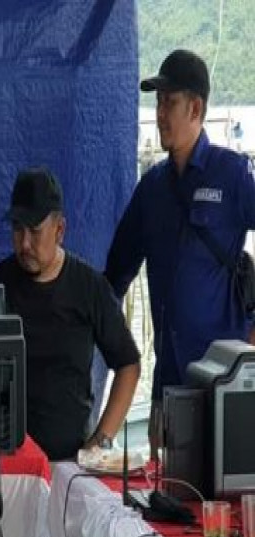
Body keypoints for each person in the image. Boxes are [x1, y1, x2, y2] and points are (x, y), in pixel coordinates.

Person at [105, 49, 255, 460]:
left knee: (224, 491)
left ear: (196, 108)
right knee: (167, 489)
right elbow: (114, 277)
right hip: (168, 383)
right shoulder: (150, 189)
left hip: (224, 381)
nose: (159, 114)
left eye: (168, 102)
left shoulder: (232, 174)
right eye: (157, 103)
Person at [0, 168, 141, 461]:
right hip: (6, 465)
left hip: (70, 464)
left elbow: (128, 364)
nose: (24, 243)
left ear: (60, 230)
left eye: (34, 231)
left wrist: (99, 443)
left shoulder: (89, 287)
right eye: (17, 229)